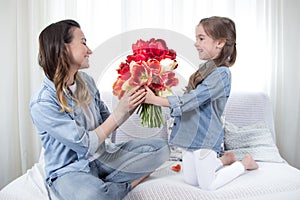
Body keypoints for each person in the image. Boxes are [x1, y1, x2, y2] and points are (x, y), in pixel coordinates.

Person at [30, 19, 170, 200]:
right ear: (63, 48)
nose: (89, 50)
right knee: (93, 195)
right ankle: (124, 186)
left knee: (160, 149)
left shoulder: (86, 81)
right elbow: (84, 144)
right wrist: (120, 111)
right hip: (70, 170)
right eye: (83, 42)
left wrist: (131, 104)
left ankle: (106, 186)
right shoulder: (43, 102)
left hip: (103, 158)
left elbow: (107, 124)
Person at [144, 16, 258, 190]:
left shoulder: (222, 74)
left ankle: (244, 164)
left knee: (208, 185)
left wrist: (155, 100)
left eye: (201, 38)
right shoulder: (206, 68)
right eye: (196, 38)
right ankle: (224, 160)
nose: (196, 43)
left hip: (204, 135)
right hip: (191, 134)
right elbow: (188, 96)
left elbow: (192, 100)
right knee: (190, 180)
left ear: (220, 43)